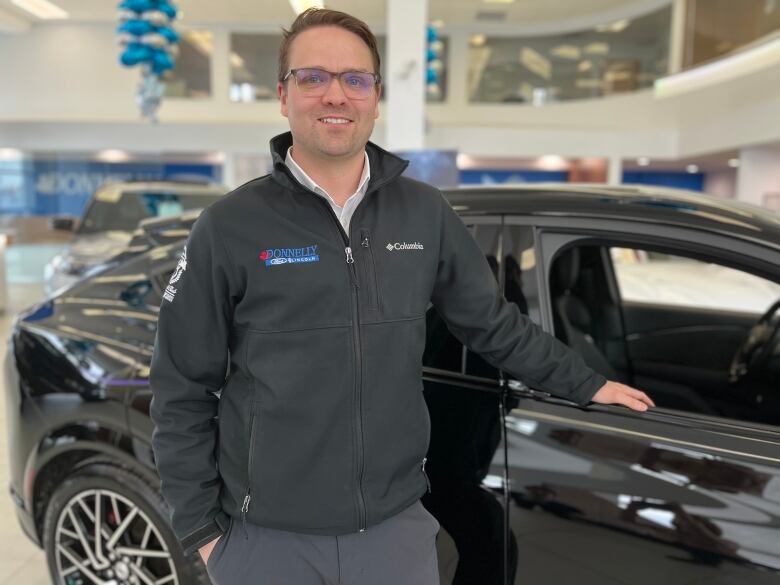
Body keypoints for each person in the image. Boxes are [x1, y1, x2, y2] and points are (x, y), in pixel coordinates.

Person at [149, 8, 655, 585]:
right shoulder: (228, 227)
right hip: (267, 540)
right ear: (283, 96)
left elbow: (492, 323)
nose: (335, 94)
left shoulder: (424, 212)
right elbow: (180, 385)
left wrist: (585, 381)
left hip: (393, 533)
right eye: (312, 77)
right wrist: (204, 534)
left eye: (354, 79)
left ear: (375, 96)